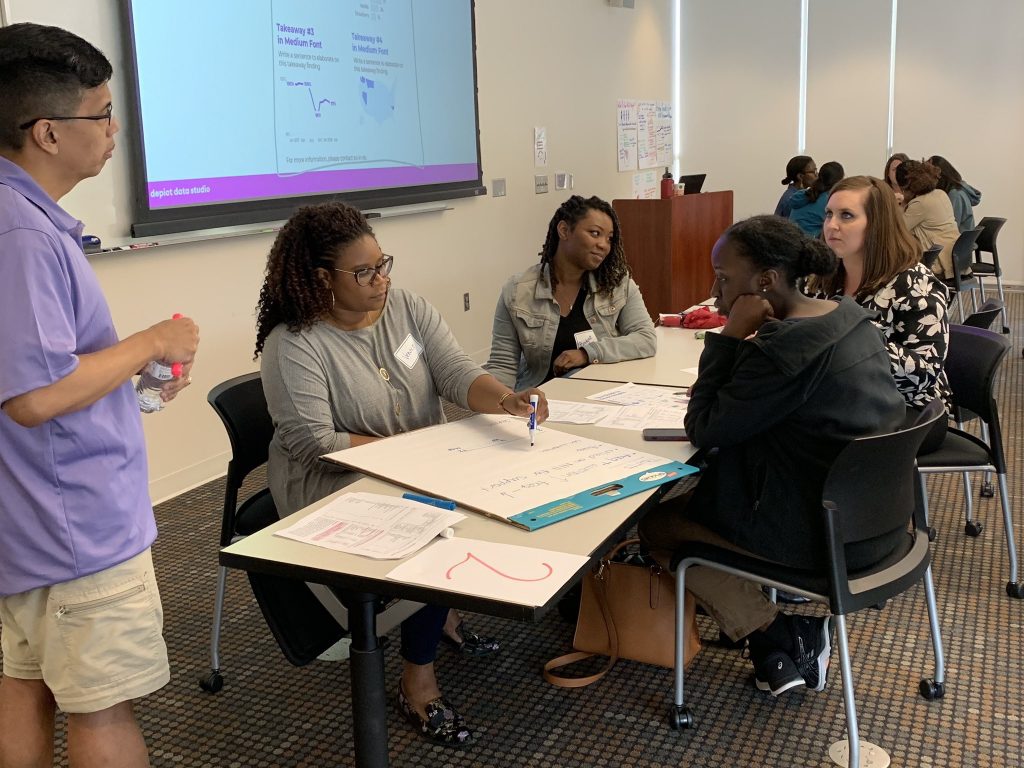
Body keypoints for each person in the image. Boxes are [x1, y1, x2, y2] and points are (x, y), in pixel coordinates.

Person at [254, 201, 548, 747]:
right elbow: (315, 443)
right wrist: (413, 454)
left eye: (383, 264)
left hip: (415, 465)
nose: (380, 280)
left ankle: (440, 618)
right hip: (330, 484)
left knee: (484, 494)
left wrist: (506, 400)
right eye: (363, 272)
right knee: (436, 530)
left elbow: (455, 372)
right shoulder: (294, 343)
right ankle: (419, 682)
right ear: (321, 279)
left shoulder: (405, 308)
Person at [0, 23, 200, 768]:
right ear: (49, 132)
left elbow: (46, 370)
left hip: (33, 522)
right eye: (102, 113)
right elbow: (33, 395)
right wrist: (149, 344)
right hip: (73, 528)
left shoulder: (21, 220)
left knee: (24, 686)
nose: (116, 130)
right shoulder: (21, 232)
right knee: (100, 710)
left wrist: (132, 384)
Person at [639, 215, 906, 698]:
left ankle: (781, 634)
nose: (715, 291)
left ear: (766, 282)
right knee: (704, 493)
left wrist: (727, 336)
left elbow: (703, 427)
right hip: (877, 520)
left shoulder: (783, 348)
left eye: (723, 278)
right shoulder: (849, 318)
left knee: (659, 525)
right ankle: (776, 647)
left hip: (822, 539)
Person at [806, 176, 952, 419]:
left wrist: (849, 333)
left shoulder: (915, 283)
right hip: (838, 398)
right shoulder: (825, 276)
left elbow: (925, 374)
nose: (831, 225)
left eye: (846, 216)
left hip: (909, 409)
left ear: (877, 224)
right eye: (829, 214)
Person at [485, 195, 656, 389]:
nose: (604, 245)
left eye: (609, 239)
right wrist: (501, 404)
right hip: (543, 396)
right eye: (594, 233)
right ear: (564, 230)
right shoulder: (518, 291)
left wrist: (587, 353)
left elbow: (646, 339)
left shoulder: (617, 284)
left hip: (600, 391)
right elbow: (503, 365)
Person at [896, 160, 962, 280]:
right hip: (954, 258)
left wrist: (901, 203)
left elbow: (897, 230)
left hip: (937, 263)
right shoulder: (941, 193)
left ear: (907, 187)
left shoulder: (920, 203)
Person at [787, 160, 845, 236]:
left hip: (790, 241)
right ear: (838, 182)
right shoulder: (829, 202)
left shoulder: (801, 194)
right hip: (809, 245)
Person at [928, 155, 982, 232]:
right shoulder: (957, 191)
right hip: (959, 239)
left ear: (939, 176)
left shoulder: (955, 194)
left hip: (958, 241)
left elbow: (950, 226)